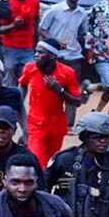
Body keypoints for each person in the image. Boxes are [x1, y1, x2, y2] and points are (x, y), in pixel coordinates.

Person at [19, 39, 83, 168]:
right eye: (36, 51)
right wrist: (18, 103)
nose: (36, 55)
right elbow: (22, 84)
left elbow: (77, 101)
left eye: (40, 52)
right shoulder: (30, 68)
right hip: (35, 125)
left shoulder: (67, 73)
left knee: (51, 163)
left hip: (56, 126)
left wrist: (60, 91)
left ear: (52, 55)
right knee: (36, 161)